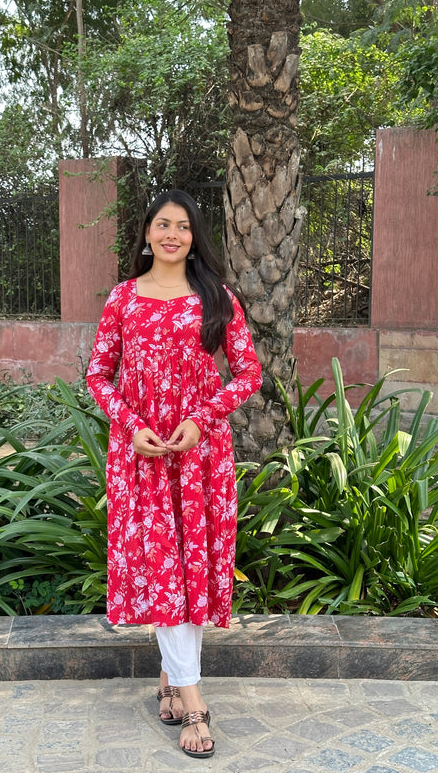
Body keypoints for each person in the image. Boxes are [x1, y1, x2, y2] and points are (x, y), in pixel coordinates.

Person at [86, 189, 262, 759]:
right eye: (163, 224)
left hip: (199, 455)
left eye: (183, 227)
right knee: (164, 568)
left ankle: (171, 680)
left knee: (191, 565)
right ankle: (194, 700)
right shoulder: (123, 298)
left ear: (194, 237)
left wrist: (201, 419)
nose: (172, 234)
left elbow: (248, 373)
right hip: (141, 456)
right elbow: (98, 375)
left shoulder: (216, 297)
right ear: (147, 232)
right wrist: (130, 424)